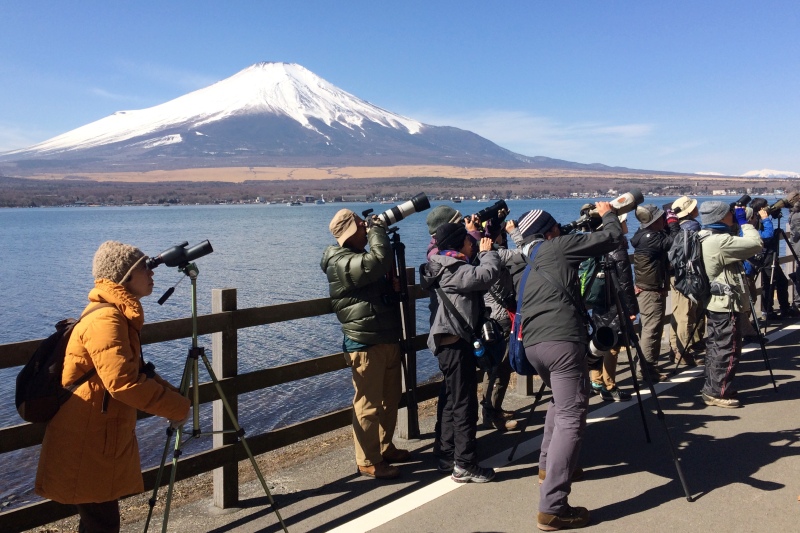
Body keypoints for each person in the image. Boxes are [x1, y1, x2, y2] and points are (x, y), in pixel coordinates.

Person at [35, 241, 191, 533]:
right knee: (102, 524)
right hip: (87, 439)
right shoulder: (107, 318)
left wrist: (175, 398)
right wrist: (176, 406)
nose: (151, 273)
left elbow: (135, 371)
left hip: (95, 436)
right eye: (144, 267)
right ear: (124, 276)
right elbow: (124, 383)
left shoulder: (116, 315)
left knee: (99, 522)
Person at [508, 203, 621, 531]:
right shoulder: (556, 246)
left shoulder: (525, 261)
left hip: (533, 347)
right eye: (557, 229)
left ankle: (548, 467)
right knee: (573, 416)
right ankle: (553, 506)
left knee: (559, 404)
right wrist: (608, 213)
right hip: (562, 342)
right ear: (550, 232)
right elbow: (612, 237)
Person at [321, 209, 410, 480]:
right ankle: (368, 460)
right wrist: (379, 231)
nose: (367, 228)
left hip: (384, 336)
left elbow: (373, 276)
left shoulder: (356, 258)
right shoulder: (340, 261)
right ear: (351, 232)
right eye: (363, 226)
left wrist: (389, 287)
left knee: (390, 399)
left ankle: (384, 447)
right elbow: (379, 260)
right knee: (368, 404)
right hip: (364, 342)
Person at [420, 222, 500, 483]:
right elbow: (487, 275)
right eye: (469, 240)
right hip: (455, 344)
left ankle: (446, 452)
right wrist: (488, 252)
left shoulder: (441, 264)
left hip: (447, 343)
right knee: (464, 402)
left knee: (452, 398)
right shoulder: (455, 270)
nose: (472, 243)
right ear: (458, 243)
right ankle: (464, 464)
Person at [697, 201, 762, 408]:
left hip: (714, 303)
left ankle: (715, 386)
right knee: (728, 349)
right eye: (729, 213)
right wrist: (745, 222)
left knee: (716, 347)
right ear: (719, 217)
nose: (732, 215)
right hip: (726, 304)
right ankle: (717, 392)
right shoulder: (720, 242)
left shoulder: (702, 236)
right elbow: (755, 244)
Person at [589, 212, 637, 402]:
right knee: (613, 345)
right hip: (614, 302)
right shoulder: (617, 247)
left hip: (598, 300)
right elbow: (625, 282)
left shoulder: (594, 242)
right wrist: (631, 309)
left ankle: (596, 380)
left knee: (598, 340)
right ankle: (609, 386)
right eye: (623, 221)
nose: (625, 224)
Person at [631, 204, 679, 382]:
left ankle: (646, 366)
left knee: (649, 328)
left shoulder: (644, 235)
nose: (663, 221)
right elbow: (675, 240)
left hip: (650, 289)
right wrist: (673, 222)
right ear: (652, 221)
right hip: (650, 291)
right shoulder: (650, 238)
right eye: (661, 218)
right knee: (652, 330)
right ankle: (646, 369)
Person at [479, 220, 519, 430]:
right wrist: (515, 232)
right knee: (499, 369)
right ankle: (492, 414)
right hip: (500, 319)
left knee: (493, 368)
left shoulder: (480, 255)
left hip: (488, 318)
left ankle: (493, 409)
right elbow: (526, 253)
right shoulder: (498, 255)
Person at [668, 196, 706, 366]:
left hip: (674, 274)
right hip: (687, 275)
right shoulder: (692, 227)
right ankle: (684, 352)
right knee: (686, 313)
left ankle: (674, 349)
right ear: (690, 211)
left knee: (677, 312)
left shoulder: (672, 227)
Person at [749, 197, 798, 319]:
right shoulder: (756, 222)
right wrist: (766, 219)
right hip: (766, 257)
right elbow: (767, 236)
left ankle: (779, 309)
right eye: (766, 206)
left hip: (768, 256)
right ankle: (769, 311)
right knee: (770, 283)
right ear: (760, 209)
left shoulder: (757, 220)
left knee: (778, 282)